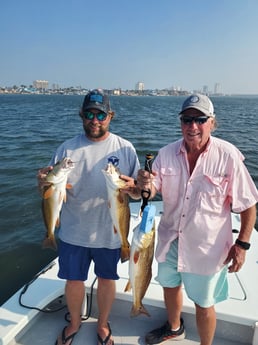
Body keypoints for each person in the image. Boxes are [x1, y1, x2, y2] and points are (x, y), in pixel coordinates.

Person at [136, 94, 258, 345]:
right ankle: (174, 327)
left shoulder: (228, 155)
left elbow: (248, 205)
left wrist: (242, 245)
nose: (193, 126)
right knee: (169, 286)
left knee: (204, 303)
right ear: (180, 122)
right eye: (187, 119)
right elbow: (151, 190)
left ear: (212, 122)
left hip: (207, 250)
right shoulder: (166, 153)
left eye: (200, 119)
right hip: (170, 240)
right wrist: (141, 185)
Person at [37, 89, 140, 345]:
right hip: (73, 230)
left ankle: (103, 325)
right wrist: (42, 183)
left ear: (110, 116)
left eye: (101, 114)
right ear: (81, 115)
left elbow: (137, 193)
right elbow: (48, 189)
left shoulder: (125, 148)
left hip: (110, 231)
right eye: (89, 113)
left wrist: (135, 187)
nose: (95, 119)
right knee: (74, 281)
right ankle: (74, 322)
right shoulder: (66, 148)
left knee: (107, 279)